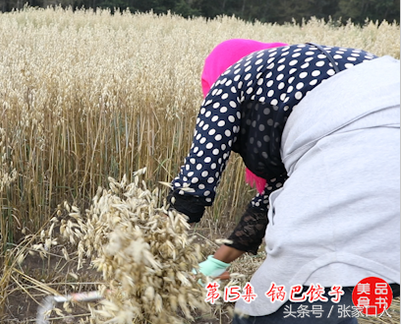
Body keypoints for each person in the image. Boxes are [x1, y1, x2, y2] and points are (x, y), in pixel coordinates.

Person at [167, 39, 400, 323]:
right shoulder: (309, 86)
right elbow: (267, 205)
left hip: (360, 177)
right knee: (335, 293)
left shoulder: (231, 82)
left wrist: (158, 258)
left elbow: (193, 186)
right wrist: (215, 264)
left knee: (263, 312)